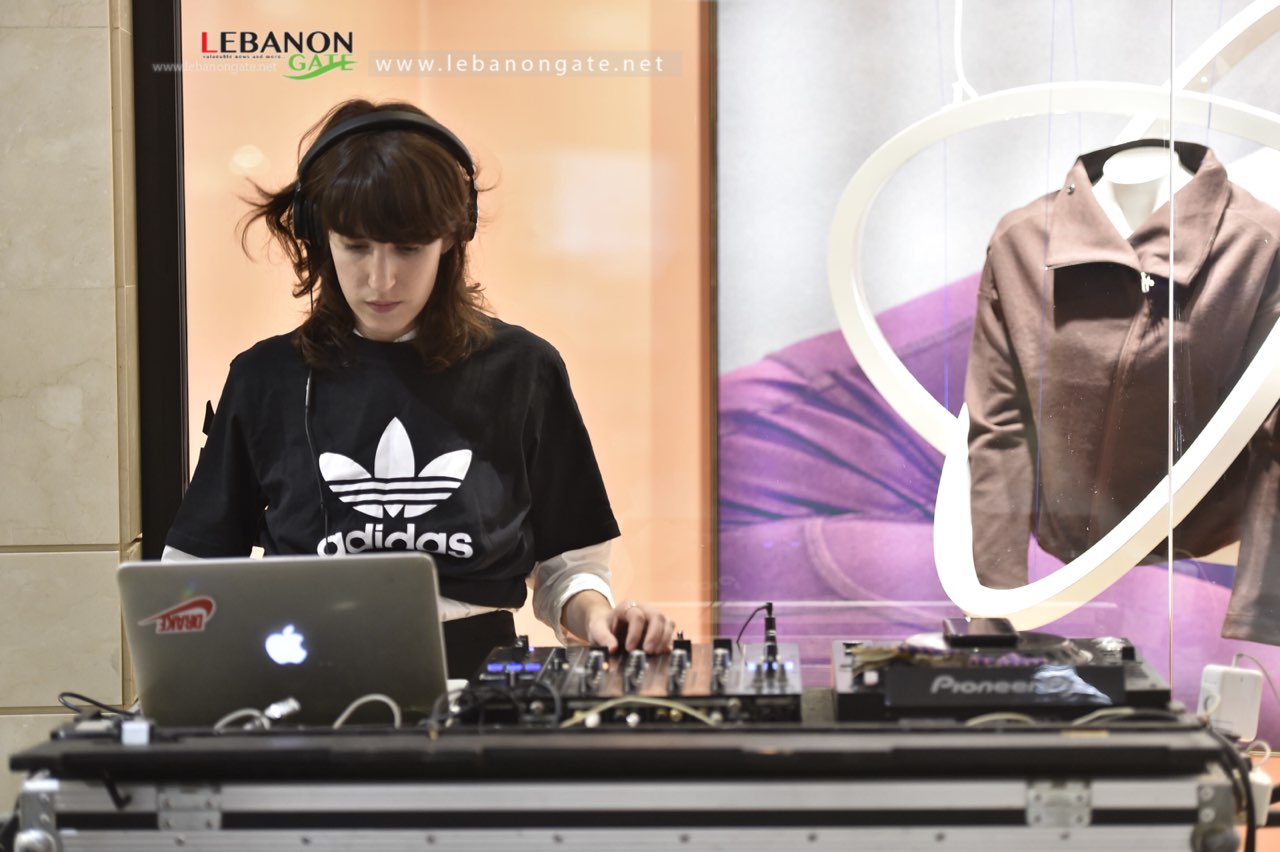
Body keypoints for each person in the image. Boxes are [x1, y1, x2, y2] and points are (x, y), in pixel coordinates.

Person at [164, 98, 674, 677]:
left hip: (475, 672)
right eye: (356, 246)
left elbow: (568, 569)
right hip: (304, 669)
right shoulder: (265, 378)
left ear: (453, 237)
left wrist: (601, 618)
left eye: (408, 248)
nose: (381, 278)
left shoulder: (524, 370)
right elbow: (192, 575)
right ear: (319, 235)